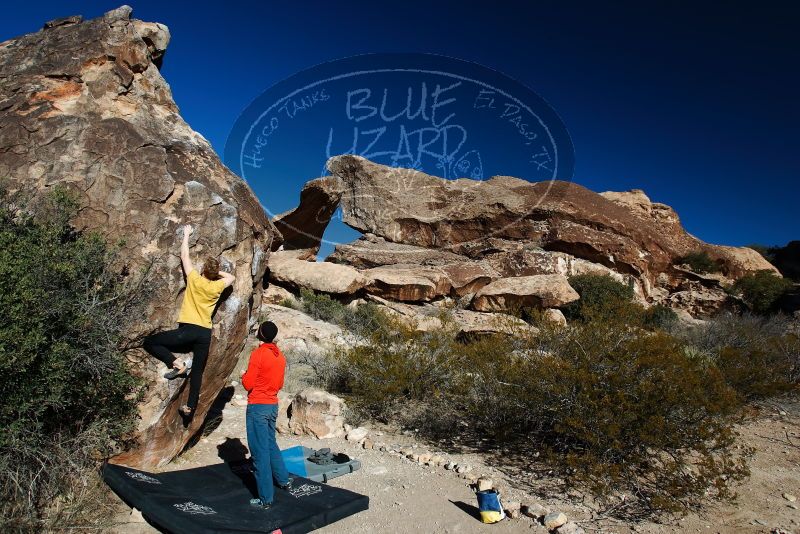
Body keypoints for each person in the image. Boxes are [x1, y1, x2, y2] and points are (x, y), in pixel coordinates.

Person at [143, 224, 234, 419]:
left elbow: (185, 257)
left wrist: (186, 235)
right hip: (204, 333)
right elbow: (232, 277)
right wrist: (215, 273)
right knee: (198, 371)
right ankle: (190, 407)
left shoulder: (194, 279)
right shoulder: (217, 286)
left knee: (149, 342)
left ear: (202, 270)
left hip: (189, 330)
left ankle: (177, 364)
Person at [242, 321, 293, 509]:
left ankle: (265, 498)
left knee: (259, 452)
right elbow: (279, 384)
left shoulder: (258, 354)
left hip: (258, 406)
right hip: (272, 404)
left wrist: (243, 375)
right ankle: (283, 480)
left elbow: (248, 384)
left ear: (261, 334)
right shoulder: (280, 355)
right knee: (270, 443)